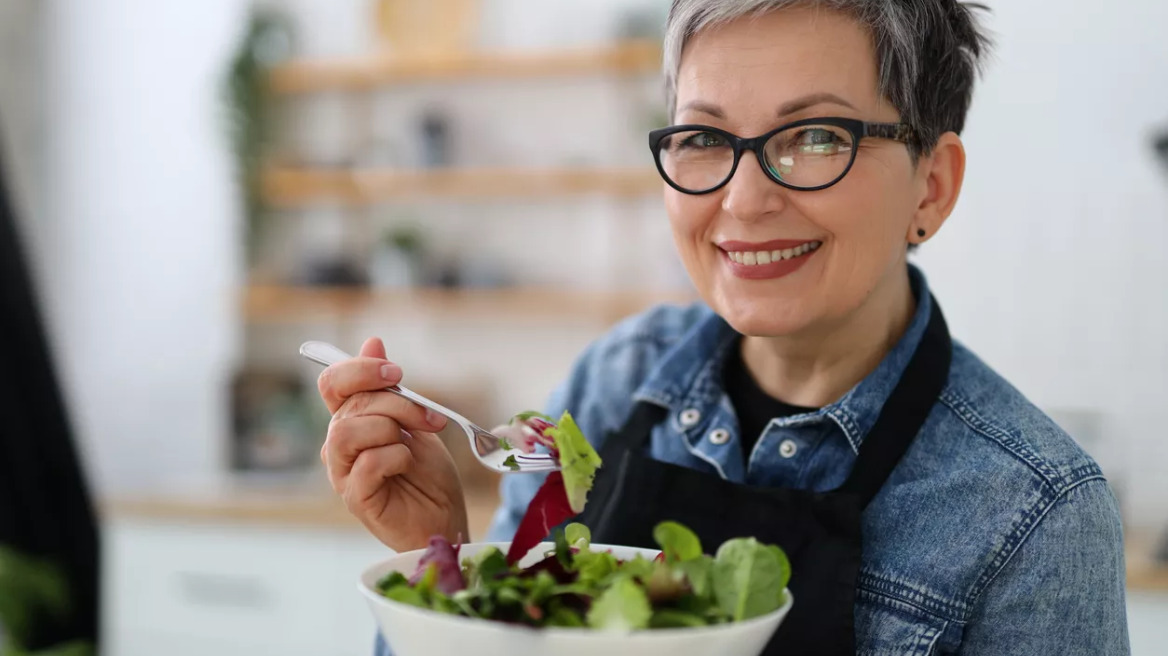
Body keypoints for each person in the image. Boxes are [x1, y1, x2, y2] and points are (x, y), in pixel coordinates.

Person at [315, 1, 1130, 653]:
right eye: (705, 138)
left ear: (932, 187)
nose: (743, 200)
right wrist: (443, 562)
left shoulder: (1034, 512)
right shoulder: (612, 382)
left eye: (816, 137)